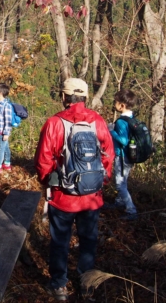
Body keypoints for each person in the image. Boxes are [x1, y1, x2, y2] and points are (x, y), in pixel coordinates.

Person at [34, 78, 114, 301]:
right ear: (86, 98)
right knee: (88, 241)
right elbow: (108, 155)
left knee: (60, 241)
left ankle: (59, 286)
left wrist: (49, 181)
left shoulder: (54, 123)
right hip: (92, 198)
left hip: (63, 197)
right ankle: (87, 285)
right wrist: (99, 183)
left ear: (64, 97)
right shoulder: (98, 121)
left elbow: (43, 161)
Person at [107, 89, 138, 220]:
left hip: (122, 156)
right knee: (123, 181)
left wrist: (111, 131)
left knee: (120, 183)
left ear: (122, 105)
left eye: (116, 102)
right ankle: (119, 202)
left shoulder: (120, 122)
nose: (115, 104)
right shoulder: (132, 118)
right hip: (131, 155)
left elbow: (123, 140)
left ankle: (131, 210)